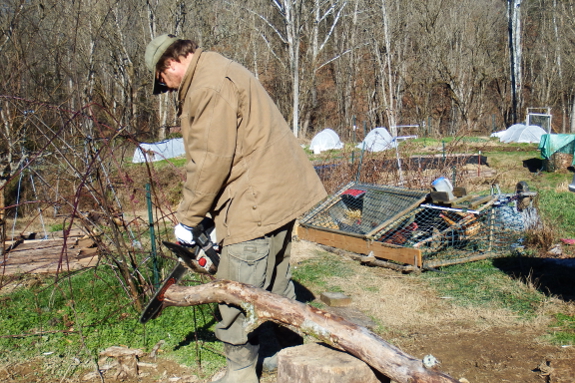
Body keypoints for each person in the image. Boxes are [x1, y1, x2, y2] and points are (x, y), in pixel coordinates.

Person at [144, 34, 327, 383]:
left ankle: (241, 372)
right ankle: (290, 354)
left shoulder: (207, 87)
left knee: (234, 290)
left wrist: (189, 220)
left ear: (167, 65)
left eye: (163, 82)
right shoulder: (217, 70)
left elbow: (211, 161)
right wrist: (213, 219)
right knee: (274, 281)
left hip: (255, 200)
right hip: (276, 192)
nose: (167, 89)